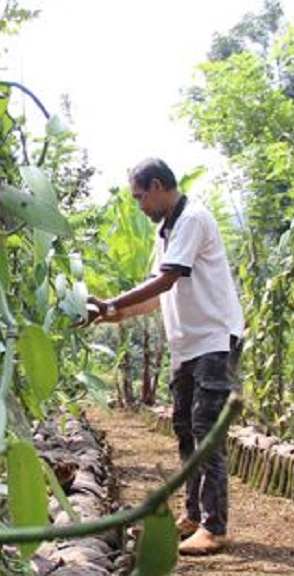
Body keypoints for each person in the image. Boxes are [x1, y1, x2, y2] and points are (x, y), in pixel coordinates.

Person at [87, 158, 243, 555]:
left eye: (140, 197)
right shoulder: (168, 231)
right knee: (186, 432)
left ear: (157, 186)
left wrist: (110, 303)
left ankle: (215, 527)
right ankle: (194, 516)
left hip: (213, 341)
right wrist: (112, 314)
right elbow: (160, 295)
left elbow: (167, 278)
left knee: (207, 433)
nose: (140, 206)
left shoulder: (192, 218)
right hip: (188, 347)